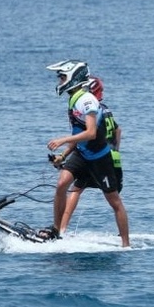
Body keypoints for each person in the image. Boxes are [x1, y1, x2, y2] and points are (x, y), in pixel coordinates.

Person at [43, 60, 130, 247]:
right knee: (61, 184)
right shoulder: (74, 98)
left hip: (99, 158)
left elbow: (90, 133)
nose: (59, 82)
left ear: (74, 78)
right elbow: (79, 135)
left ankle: (126, 245)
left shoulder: (87, 100)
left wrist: (62, 140)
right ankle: (57, 231)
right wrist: (64, 156)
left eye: (62, 77)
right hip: (82, 154)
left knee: (114, 202)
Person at [54, 77, 123, 228]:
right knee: (114, 199)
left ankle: (62, 229)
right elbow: (117, 130)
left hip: (97, 155)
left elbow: (88, 135)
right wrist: (115, 150)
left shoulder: (90, 109)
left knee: (76, 190)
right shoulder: (105, 108)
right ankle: (123, 240)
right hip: (112, 156)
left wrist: (64, 152)